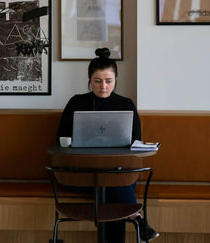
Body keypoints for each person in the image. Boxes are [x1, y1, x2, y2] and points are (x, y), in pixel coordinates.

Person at [56, 48, 159, 242]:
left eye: (108, 81)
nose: (103, 86)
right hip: (82, 174)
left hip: (117, 172)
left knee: (112, 182)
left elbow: (134, 143)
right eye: (97, 81)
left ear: (116, 80)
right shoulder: (76, 103)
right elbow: (59, 139)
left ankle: (135, 219)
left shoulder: (126, 105)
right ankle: (137, 218)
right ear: (89, 80)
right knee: (113, 184)